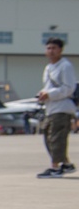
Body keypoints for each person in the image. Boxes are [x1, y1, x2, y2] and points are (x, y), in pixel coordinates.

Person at [36, 37, 77, 178]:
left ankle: (55, 168)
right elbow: (49, 87)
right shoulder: (48, 68)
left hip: (62, 108)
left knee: (57, 138)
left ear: (61, 50)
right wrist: (43, 93)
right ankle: (65, 164)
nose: (51, 51)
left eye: (54, 48)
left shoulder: (65, 66)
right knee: (48, 137)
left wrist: (49, 94)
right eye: (48, 48)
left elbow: (69, 88)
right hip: (51, 108)